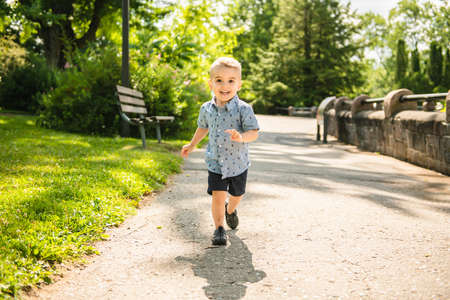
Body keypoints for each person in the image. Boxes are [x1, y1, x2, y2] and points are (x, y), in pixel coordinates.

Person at [181, 57, 259, 246]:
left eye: (231, 81)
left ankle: (230, 211)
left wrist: (241, 137)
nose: (225, 85)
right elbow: (202, 128)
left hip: (238, 163)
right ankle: (219, 229)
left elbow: (253, 132)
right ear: (211, 83)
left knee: (237, 194)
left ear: (239, 84)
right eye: (219, 80)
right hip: (215, 161)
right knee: (218, 195)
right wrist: (192, 145)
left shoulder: (243, 109)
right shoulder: (206, 109)